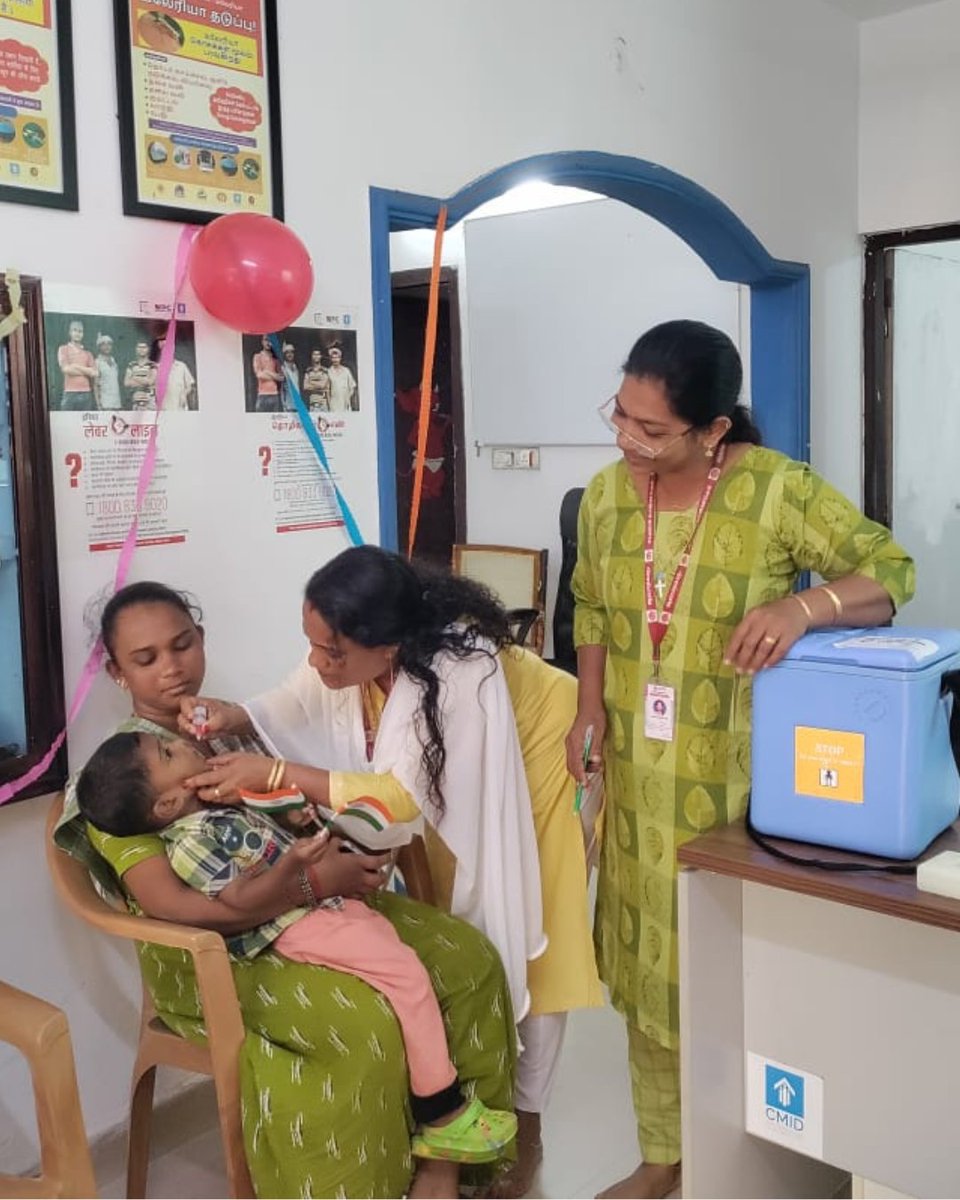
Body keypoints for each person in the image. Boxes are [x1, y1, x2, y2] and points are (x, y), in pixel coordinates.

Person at [566, 319, 915, 1200]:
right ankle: (663, 1155)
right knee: (647, 970)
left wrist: (805, 609)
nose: (627, 440)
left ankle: (754, 1158)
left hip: (741, 790)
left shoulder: (775, 490)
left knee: (738, 971)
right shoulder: (608, 495)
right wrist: (587, 707)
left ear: (714, 429)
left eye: (652, 429)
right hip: (637, 784)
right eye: (620, 415)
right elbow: (592, 607)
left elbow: (889, 572)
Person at [53, 581, 518, 1200]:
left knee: (466, 961)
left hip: (318, 902)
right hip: (215, 951)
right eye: (146, 659)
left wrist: (341, 850)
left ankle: (445, 1166)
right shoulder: (118, 778)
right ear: (117, 672)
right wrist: (310, 880)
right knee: (362, 1022)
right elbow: (174, 906)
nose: (171, 668)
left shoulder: (231, 730)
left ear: (201, 639)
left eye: (182, 645)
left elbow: (300, 816)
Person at [178, 546, 604, 1198]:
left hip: (543, 746)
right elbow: (298, 700)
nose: (317, 663)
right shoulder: (355, 643)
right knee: (456, 924)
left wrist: (275, 773)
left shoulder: (459, 672)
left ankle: (526, 1125)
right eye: (311, 644)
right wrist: (236, 716)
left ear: (390, 647)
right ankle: (460, 1113)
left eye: (331, 653)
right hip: (444, 775)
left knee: (526, 923)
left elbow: (400, 801)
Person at [76, 729, 517, 1167]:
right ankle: (441, 1110)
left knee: (423, 957)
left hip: (316, 907)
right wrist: (297, 870)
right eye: (168, 753)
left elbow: (265, 842)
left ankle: (443, 1143)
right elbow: (238, 899)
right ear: (168, 803)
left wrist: (291, 820)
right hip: (291, 924)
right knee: (405, 976)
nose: (179, 745)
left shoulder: (217, 804)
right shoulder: (190, 843)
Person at [56, 320, 97, 411]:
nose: (77, 333)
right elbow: (66, 369)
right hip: (70, 392)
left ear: (83, 334)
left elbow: (95, 373)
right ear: (70, 332)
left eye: (80, 331)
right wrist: (87, 371)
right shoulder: (63, 349)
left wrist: (75, 366)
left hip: (86, 392)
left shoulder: (88, 353)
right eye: (75, 330)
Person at [151, 334, 196, 410]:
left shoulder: (181, 366)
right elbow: (152, 391)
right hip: (163, 410)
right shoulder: (155, 369)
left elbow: (190, 386)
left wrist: (184, 395)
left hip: (180, 410)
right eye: (163, 348)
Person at [252, 335, 284, 412]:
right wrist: (274, 376)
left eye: (270, 340)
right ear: (262, 342)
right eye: (266, 340)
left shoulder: (275, 359)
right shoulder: (257, 356)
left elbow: (281, 378)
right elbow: (259, 375)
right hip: (262, 394)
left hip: (274, 394)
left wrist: (267, 372)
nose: (268, 342)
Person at [123, 340, 157, 409]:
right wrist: (144, 380)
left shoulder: (152, 365)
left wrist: (134, 377)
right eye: (139, 347)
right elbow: (126, 383)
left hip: (149, 400)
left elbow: (150, 382)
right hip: (135, 399)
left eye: (144, 347)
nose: (142, 349)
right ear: (136, 349)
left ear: (148, 349)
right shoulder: (131, 365)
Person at [326, 343, 358, 411]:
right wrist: (329, 406)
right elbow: (327, 390)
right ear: (331, 359)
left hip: (346, 403)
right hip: (334, 404)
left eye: (337, 358)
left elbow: (352, 386)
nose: (335, 360)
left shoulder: (346, 370)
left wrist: (348, 398)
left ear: (340, 358)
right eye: (333, 358)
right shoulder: (328, 372)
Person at [94, 334, 121, 410]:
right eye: (103, 344)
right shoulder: (97, 362)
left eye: (109, 344)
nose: (107, 346)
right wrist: (98, 404)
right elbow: (95, 385)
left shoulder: (114, 361)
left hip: (117, 403)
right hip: (105, 404)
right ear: (99, 347)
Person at [280, 342, 300, 411]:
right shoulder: (282, 368)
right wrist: (284, 405)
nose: (290, 354)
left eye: (291, 352)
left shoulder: (297, 367)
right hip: (288, 405)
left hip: (298, 405)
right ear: (284, 354)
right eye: (287, 352)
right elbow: (281, 389)